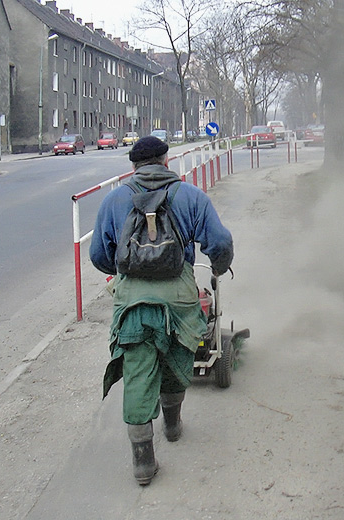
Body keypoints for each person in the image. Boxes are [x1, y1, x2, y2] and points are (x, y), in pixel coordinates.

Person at [89, 136, 233, 485]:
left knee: (139, 369)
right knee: (177, 359)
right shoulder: (190, 195)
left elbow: (98, 255)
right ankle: (172, 425)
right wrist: (216, 267)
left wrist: (126, 270)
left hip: (133, 301)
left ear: (134, 166)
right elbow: (220, 242)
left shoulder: (114, 199)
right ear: (166, 162)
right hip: (179, 297)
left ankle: (143, 463)